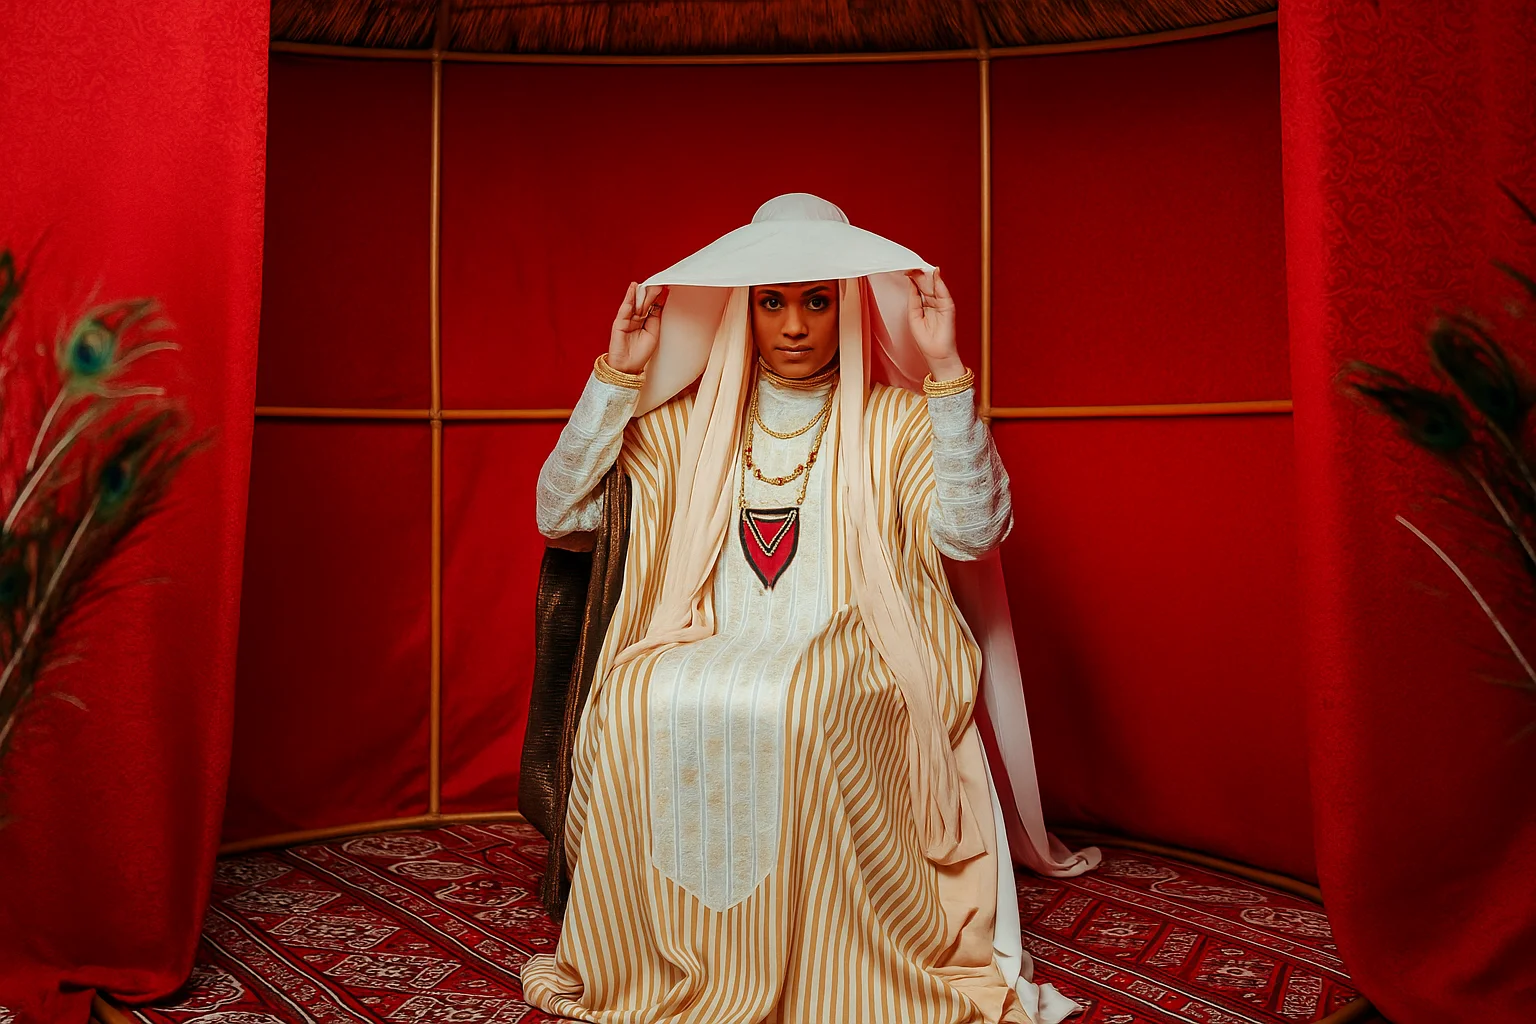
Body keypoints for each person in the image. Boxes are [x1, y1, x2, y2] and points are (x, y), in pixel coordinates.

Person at [522, 194, 1099, 1024]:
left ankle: (823, 963)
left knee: (797, 697)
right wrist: (617, 373)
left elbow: (975, 533)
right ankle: (661, 953)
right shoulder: (688, 428)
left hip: (859, 648)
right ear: (743, 311)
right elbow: (561, 513)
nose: (794, 326)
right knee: (636, 693)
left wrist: (944, 370)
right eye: (772, 302)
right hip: (706, 637)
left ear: (849, 307)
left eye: (817, 300)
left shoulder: (898, 423)